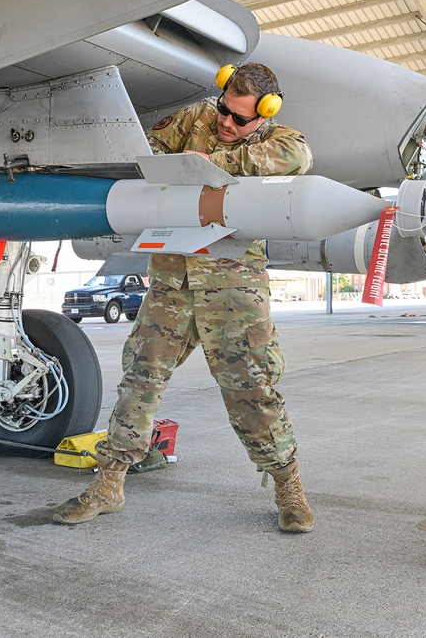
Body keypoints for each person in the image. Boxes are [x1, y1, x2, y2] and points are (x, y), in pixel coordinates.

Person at [53, 63, 316, 532]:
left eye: (239, 119)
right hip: (172, 281)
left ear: (265, 114)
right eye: (224, 110)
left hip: (233, 285)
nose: (226, 123)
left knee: (252, 391)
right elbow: (147, 154)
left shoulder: (283, 140)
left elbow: (297, 160)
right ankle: (109, 482)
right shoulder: (195, 117)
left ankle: (287, 484)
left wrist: (207, 167)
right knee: (140, 379)